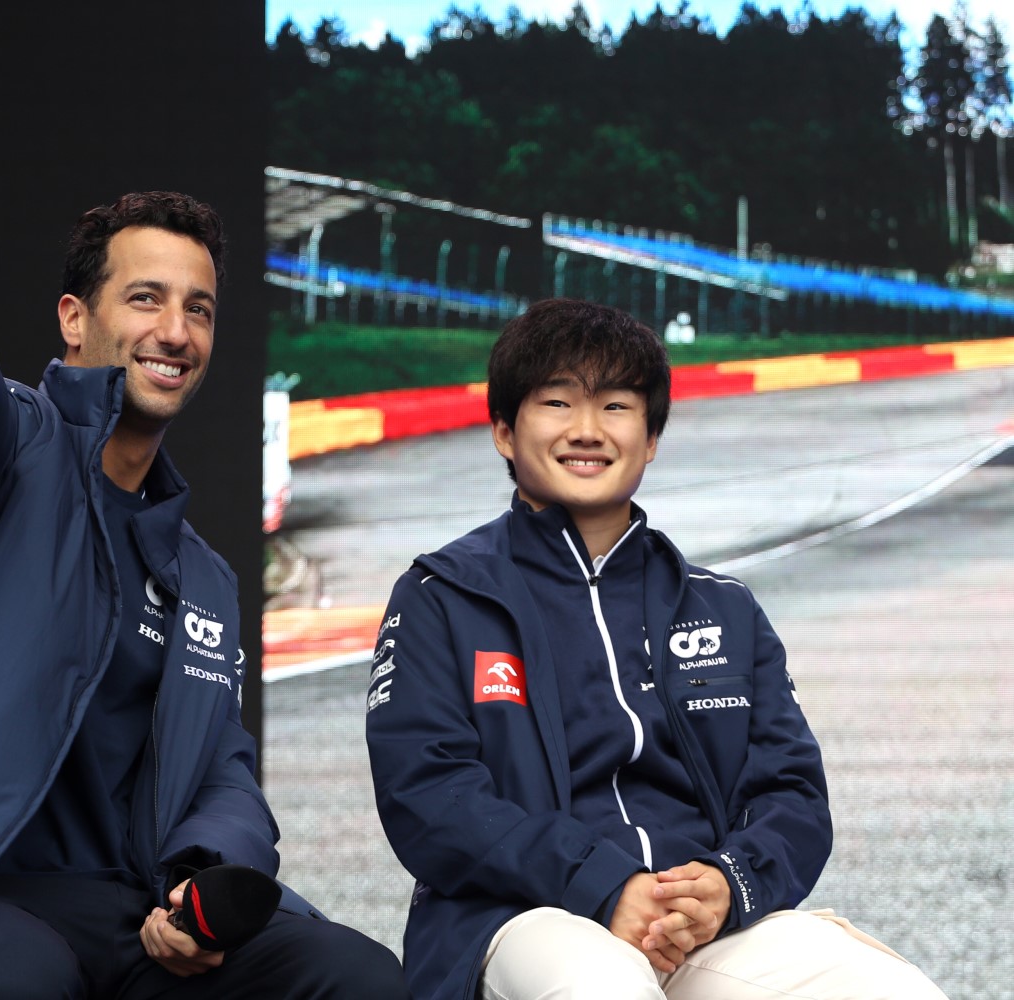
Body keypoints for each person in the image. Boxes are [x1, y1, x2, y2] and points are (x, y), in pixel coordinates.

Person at [0, 44, 409, 1000]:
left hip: (136, 919)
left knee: (355, 977)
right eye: (145, 298)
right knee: (9, 979)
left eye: (200, 309)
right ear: (74, 319)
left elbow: (223, 769)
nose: (176, 332)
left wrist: (197, 877)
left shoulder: (206, 577)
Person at [363, 298, 947, 999]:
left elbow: (791, 791)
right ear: (503, 431)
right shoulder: (443, 596)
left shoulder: (723, 607)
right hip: (520, 920)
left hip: (699, 927)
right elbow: (430, 797)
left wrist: (728, 885)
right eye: (556, 403)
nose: (586, 430)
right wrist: (604, 884)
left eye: (615, 406)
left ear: (652, 437)